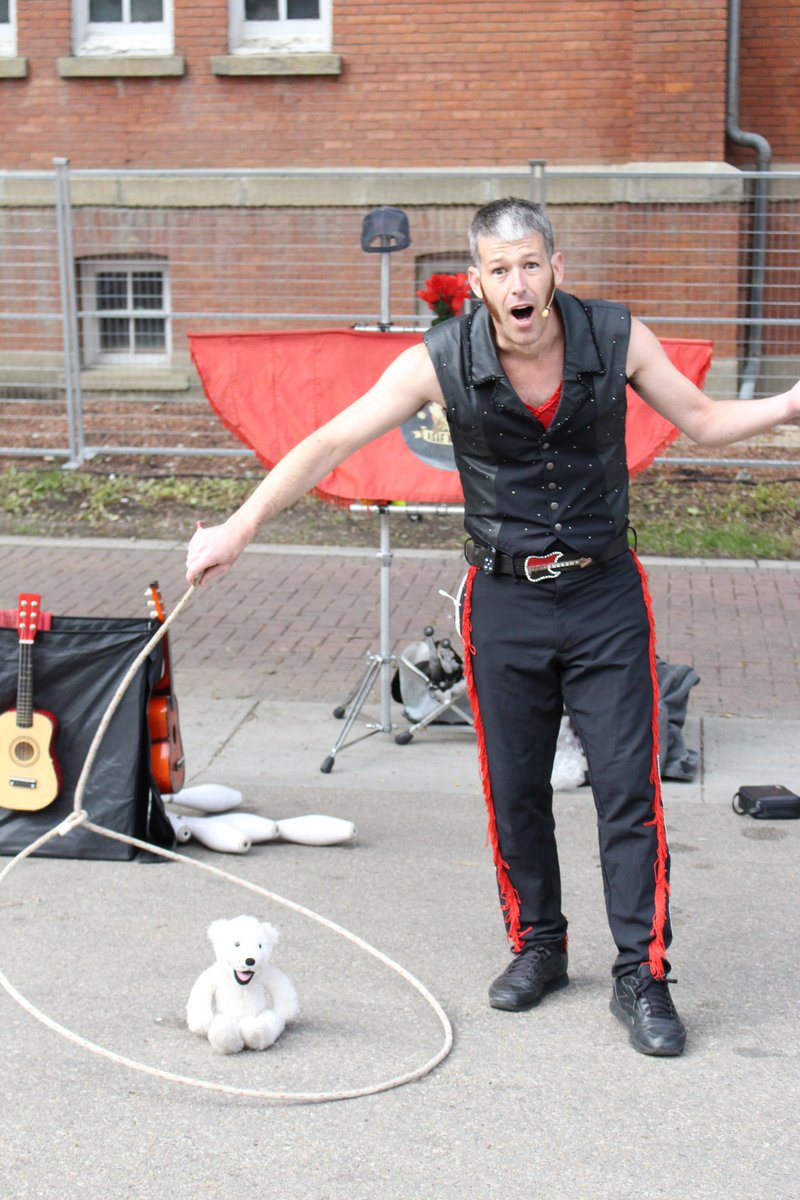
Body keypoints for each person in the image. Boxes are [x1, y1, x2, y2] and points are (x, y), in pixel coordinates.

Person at [186, 198, 800, 1057]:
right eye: (500, 269)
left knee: (628, 791)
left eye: (531, 265)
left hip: (604, 596)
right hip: (504, 602)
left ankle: (643, 975)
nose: (518, 284)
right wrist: (238, 527)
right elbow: (327, 443)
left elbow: (703, 419)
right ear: (477, 281)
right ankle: (539, 944)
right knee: (515, 789)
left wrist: (789, 404)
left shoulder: (617, 337)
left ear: (556, 269)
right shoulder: (439, 358)